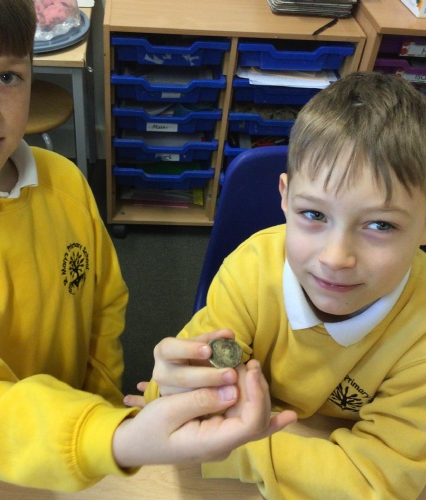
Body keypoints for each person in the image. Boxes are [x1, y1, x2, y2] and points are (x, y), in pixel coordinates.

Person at [0, 0, 297, 492]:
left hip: (84, 439)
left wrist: (100, 407)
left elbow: (104, 301)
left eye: (7, 77)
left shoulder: (63, 179)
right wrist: (114, 437)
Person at [137, 72, 426, 499]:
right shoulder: (252, 268)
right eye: (314, 215)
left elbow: (380, 480)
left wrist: (224, 446)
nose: (335, 257)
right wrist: (177, 393)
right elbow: (178, 401)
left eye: (381, 225)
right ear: (286, 198)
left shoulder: (418, 330)